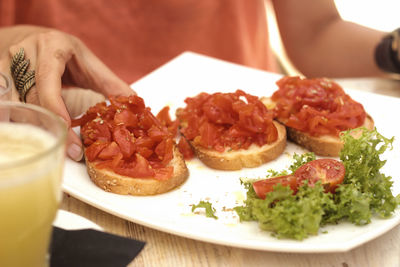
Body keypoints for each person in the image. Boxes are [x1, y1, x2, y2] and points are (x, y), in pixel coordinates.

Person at [0, 0, 394, 161]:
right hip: (53, 138)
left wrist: (391, 50)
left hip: (245, 116)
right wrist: (15, 45)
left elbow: (316, 32)